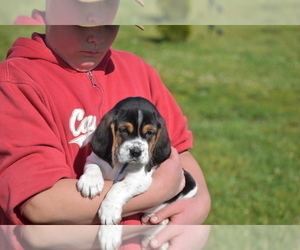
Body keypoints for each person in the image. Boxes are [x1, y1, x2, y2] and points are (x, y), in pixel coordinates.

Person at [0, 1, 210, 226]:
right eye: (82, 25)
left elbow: (181, 151)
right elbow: (40, 204)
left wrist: (199, 205)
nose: (97, 38)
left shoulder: (138, 70)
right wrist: (157, 190)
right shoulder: (16, 83)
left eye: (109, 25)